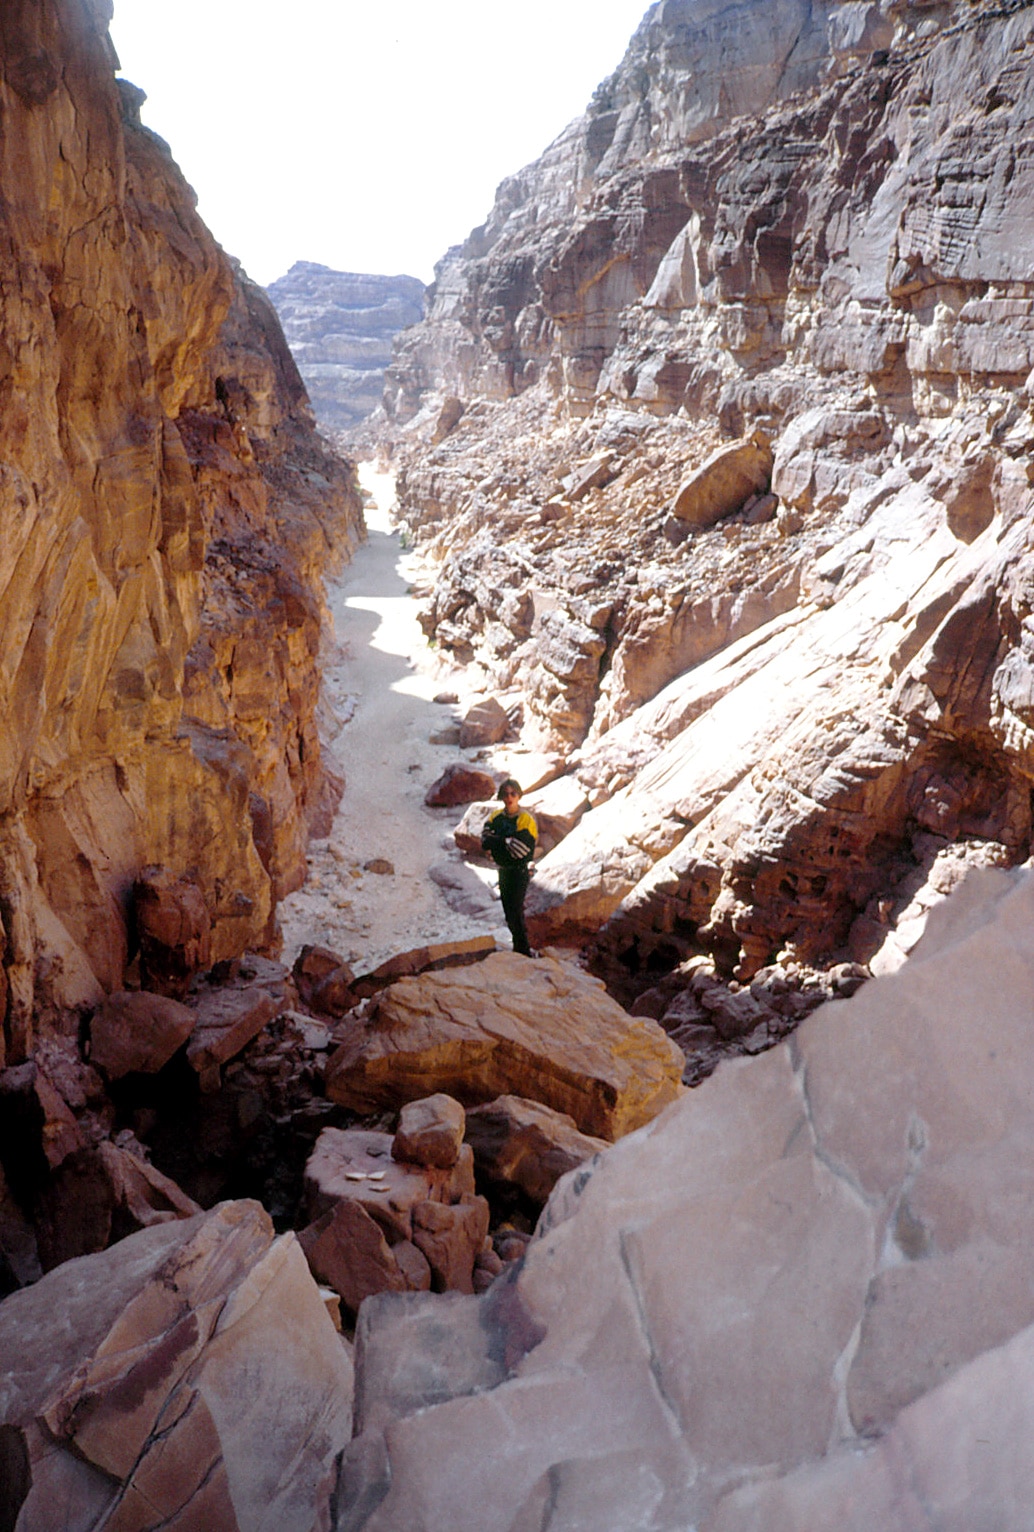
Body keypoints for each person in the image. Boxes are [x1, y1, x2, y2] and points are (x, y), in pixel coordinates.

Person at [481, 778, 538, 956]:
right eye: (505, 794)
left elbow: (520, 850)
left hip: (520, 871)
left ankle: (523, 951)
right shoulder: (496, 816)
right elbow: (485, 840)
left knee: (516, 911)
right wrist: (506, 841)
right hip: (503, 871)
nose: (509, 798)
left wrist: (497, 842)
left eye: (513, 794)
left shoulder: (525, 819)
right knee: (508, 913)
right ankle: (517, 948)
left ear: (519, 795)